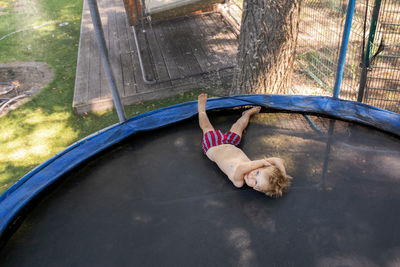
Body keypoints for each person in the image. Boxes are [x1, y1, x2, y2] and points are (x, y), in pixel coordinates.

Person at [198, 93, 291, 197]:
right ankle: (247, 114)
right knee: (238, 127)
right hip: (231, 143)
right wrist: (282, 175)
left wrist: (263, 163)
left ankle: (201, 109)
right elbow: (277, 160)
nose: (252, 176)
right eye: (257, 173)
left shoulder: (239, 181)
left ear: (256, 188)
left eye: (255, 182)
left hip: (213, 146)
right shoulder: (256, 167)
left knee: (207, 127)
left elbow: (241, 168)